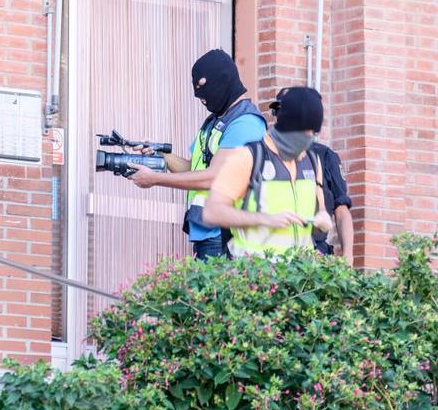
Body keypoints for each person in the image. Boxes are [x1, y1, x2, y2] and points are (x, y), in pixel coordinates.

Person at [127, 49, 267, 261]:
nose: (201, 98)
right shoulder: (216, 121)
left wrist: (154, 179)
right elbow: (195, 170)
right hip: (208, 232)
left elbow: (215, 178)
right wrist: (161, 156)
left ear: (224, 80)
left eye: (204, 89)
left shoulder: (245, 123)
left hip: (226, 234)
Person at [202, 87, 332, 258]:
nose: (307, 140)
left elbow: (320, 210)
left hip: (299, 277)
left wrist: (323, 219)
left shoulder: (313, 162)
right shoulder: (247, 157)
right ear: (287, 125)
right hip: (255, 275)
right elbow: (212, 212)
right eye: (302, 132)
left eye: (312, 133)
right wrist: (264, 219)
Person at [309, 141, 354, 264]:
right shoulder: (269, 151)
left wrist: (348, 256)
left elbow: (341, 209)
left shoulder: (325, 156)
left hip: (317, 251)